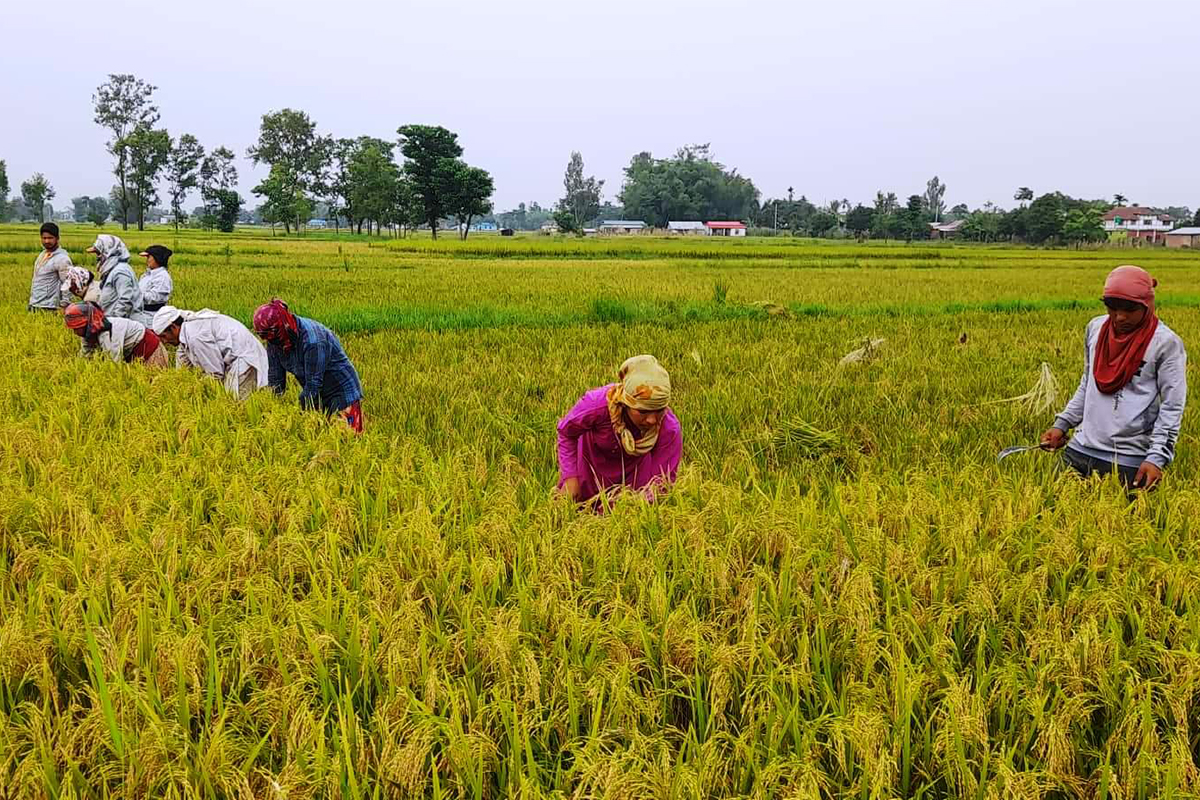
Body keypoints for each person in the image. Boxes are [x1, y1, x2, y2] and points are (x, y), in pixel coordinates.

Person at [1041, 265, 1187, 489]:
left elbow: (1172, 406)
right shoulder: (1096, 329)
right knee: (1048, 507)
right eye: (1112, 307)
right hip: (1082, 448)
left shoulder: (1165, 343)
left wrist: (1156, 457)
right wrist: (1063, 424)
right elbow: (1088, 383)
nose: (1119, 317)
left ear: (1147, 305)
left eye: (1129, 309)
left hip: (1130, 457)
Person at [557, 354, 682, 507]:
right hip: (589, 476)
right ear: (625, 404)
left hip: (634, 484)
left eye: (659, 410)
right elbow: (566, 432)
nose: (652, 420)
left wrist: (633, 506)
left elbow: (662, 483)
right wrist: (570, 477)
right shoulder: (597, 405)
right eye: (642, 411)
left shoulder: (669, 429)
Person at [252, 298, 364, 432]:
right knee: (323, 437)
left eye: (274, 337)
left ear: (285, 325)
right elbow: (276, 381)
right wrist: (273, 412)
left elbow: (313, 385)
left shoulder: (313, 341)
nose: (272, 342)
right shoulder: (274, 342)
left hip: (341, 391)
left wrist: (299, 416)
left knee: (347, 439)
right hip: (318, 395)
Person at [151, 305, 269, 401]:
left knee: (235, 402)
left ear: (173, 327)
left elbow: (215, 373)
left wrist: (198, 391)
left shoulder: (195, 336)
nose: (164, 342)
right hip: (235, 358)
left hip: (243, 358)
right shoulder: (185, 334)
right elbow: (182, 368)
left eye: (164, 336)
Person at [63, 302, 169, 367]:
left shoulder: (108, 333)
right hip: (132, 356)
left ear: (87, 323)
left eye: (77, 328)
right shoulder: (89, 332)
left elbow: (113, 364)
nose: (75, 332)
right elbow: (85, 355)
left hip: (151, 351)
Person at [86, 234, 152, 325]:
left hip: (126, 325)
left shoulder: (120, 272)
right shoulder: (113, 270)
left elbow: (125, 300)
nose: (98, 257)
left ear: (108, 251)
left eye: (98, 253)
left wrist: (114, 321)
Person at [28, 222, 74, 312]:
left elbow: (67, 283)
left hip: (50, 307)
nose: (47, 241)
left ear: (57, 238)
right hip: (35, 303)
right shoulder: (42, 255)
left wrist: (64, 305)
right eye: (44, 238)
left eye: (50, 238)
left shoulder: (62, 259)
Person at [138, 245, 174, 312]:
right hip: (141, 311)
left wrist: (134, 295)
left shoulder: (162, 277)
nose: (147, 260)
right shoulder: (146, 275)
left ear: (157, 258)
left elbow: (154, 297)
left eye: (149, 257)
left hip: (151, 315)